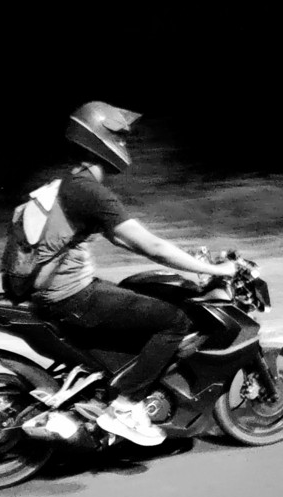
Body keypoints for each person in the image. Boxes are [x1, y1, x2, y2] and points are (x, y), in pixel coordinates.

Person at [30, 101, 237, 447]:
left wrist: (187, 259)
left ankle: (107, 387)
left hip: (54, 292)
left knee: (136, 296)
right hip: (69, 296)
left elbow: (125, 240)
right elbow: (150, 246)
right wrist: (213, 269)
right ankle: (126, 407)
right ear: (99, 138)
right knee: (175, 321)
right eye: (121, 137)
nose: (125, 144)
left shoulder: (69, 186)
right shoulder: (90, 193)